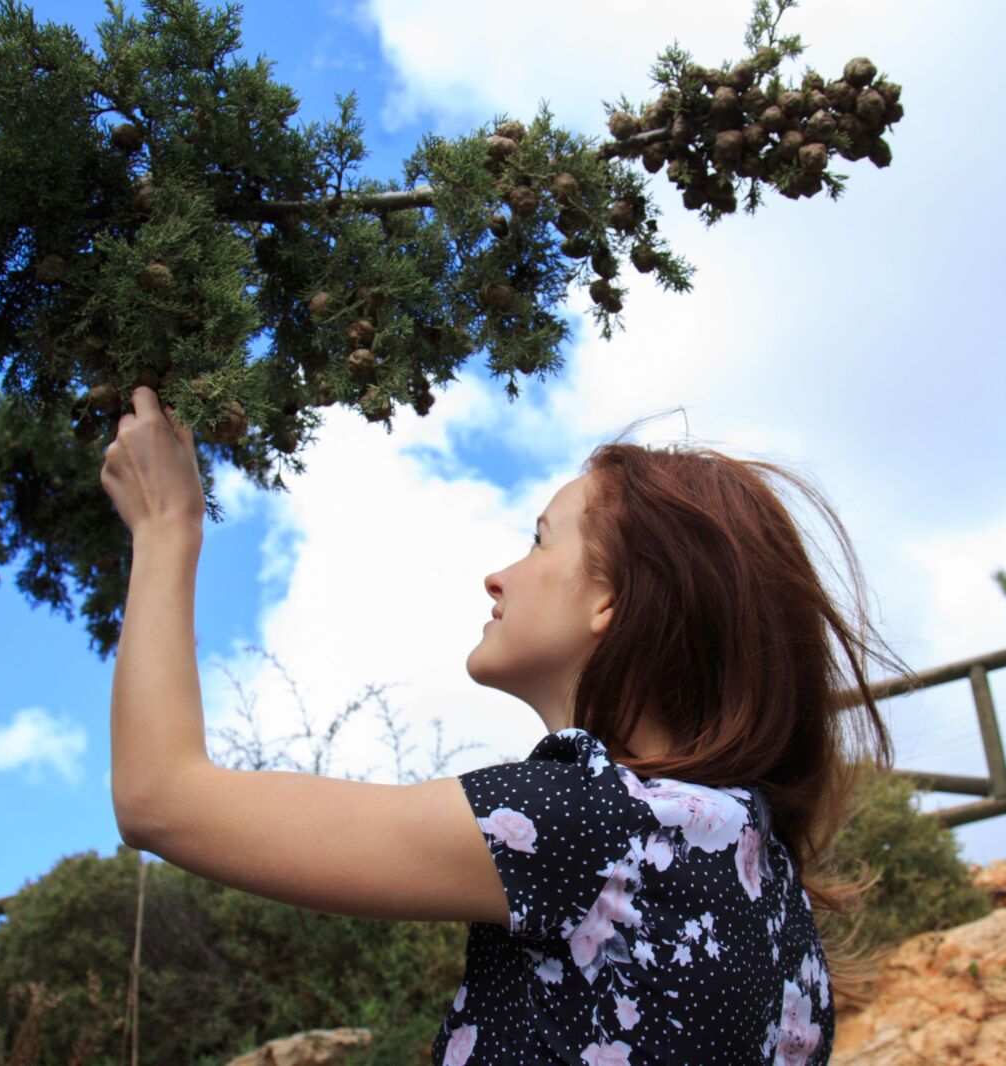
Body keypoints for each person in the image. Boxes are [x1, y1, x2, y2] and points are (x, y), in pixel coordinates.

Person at [100, 387, 907, 1064]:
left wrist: (167, 526)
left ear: (612, 598)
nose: (499, 574)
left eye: (538, 540)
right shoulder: (772, 896)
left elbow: (160, 798)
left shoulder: (592, 828)